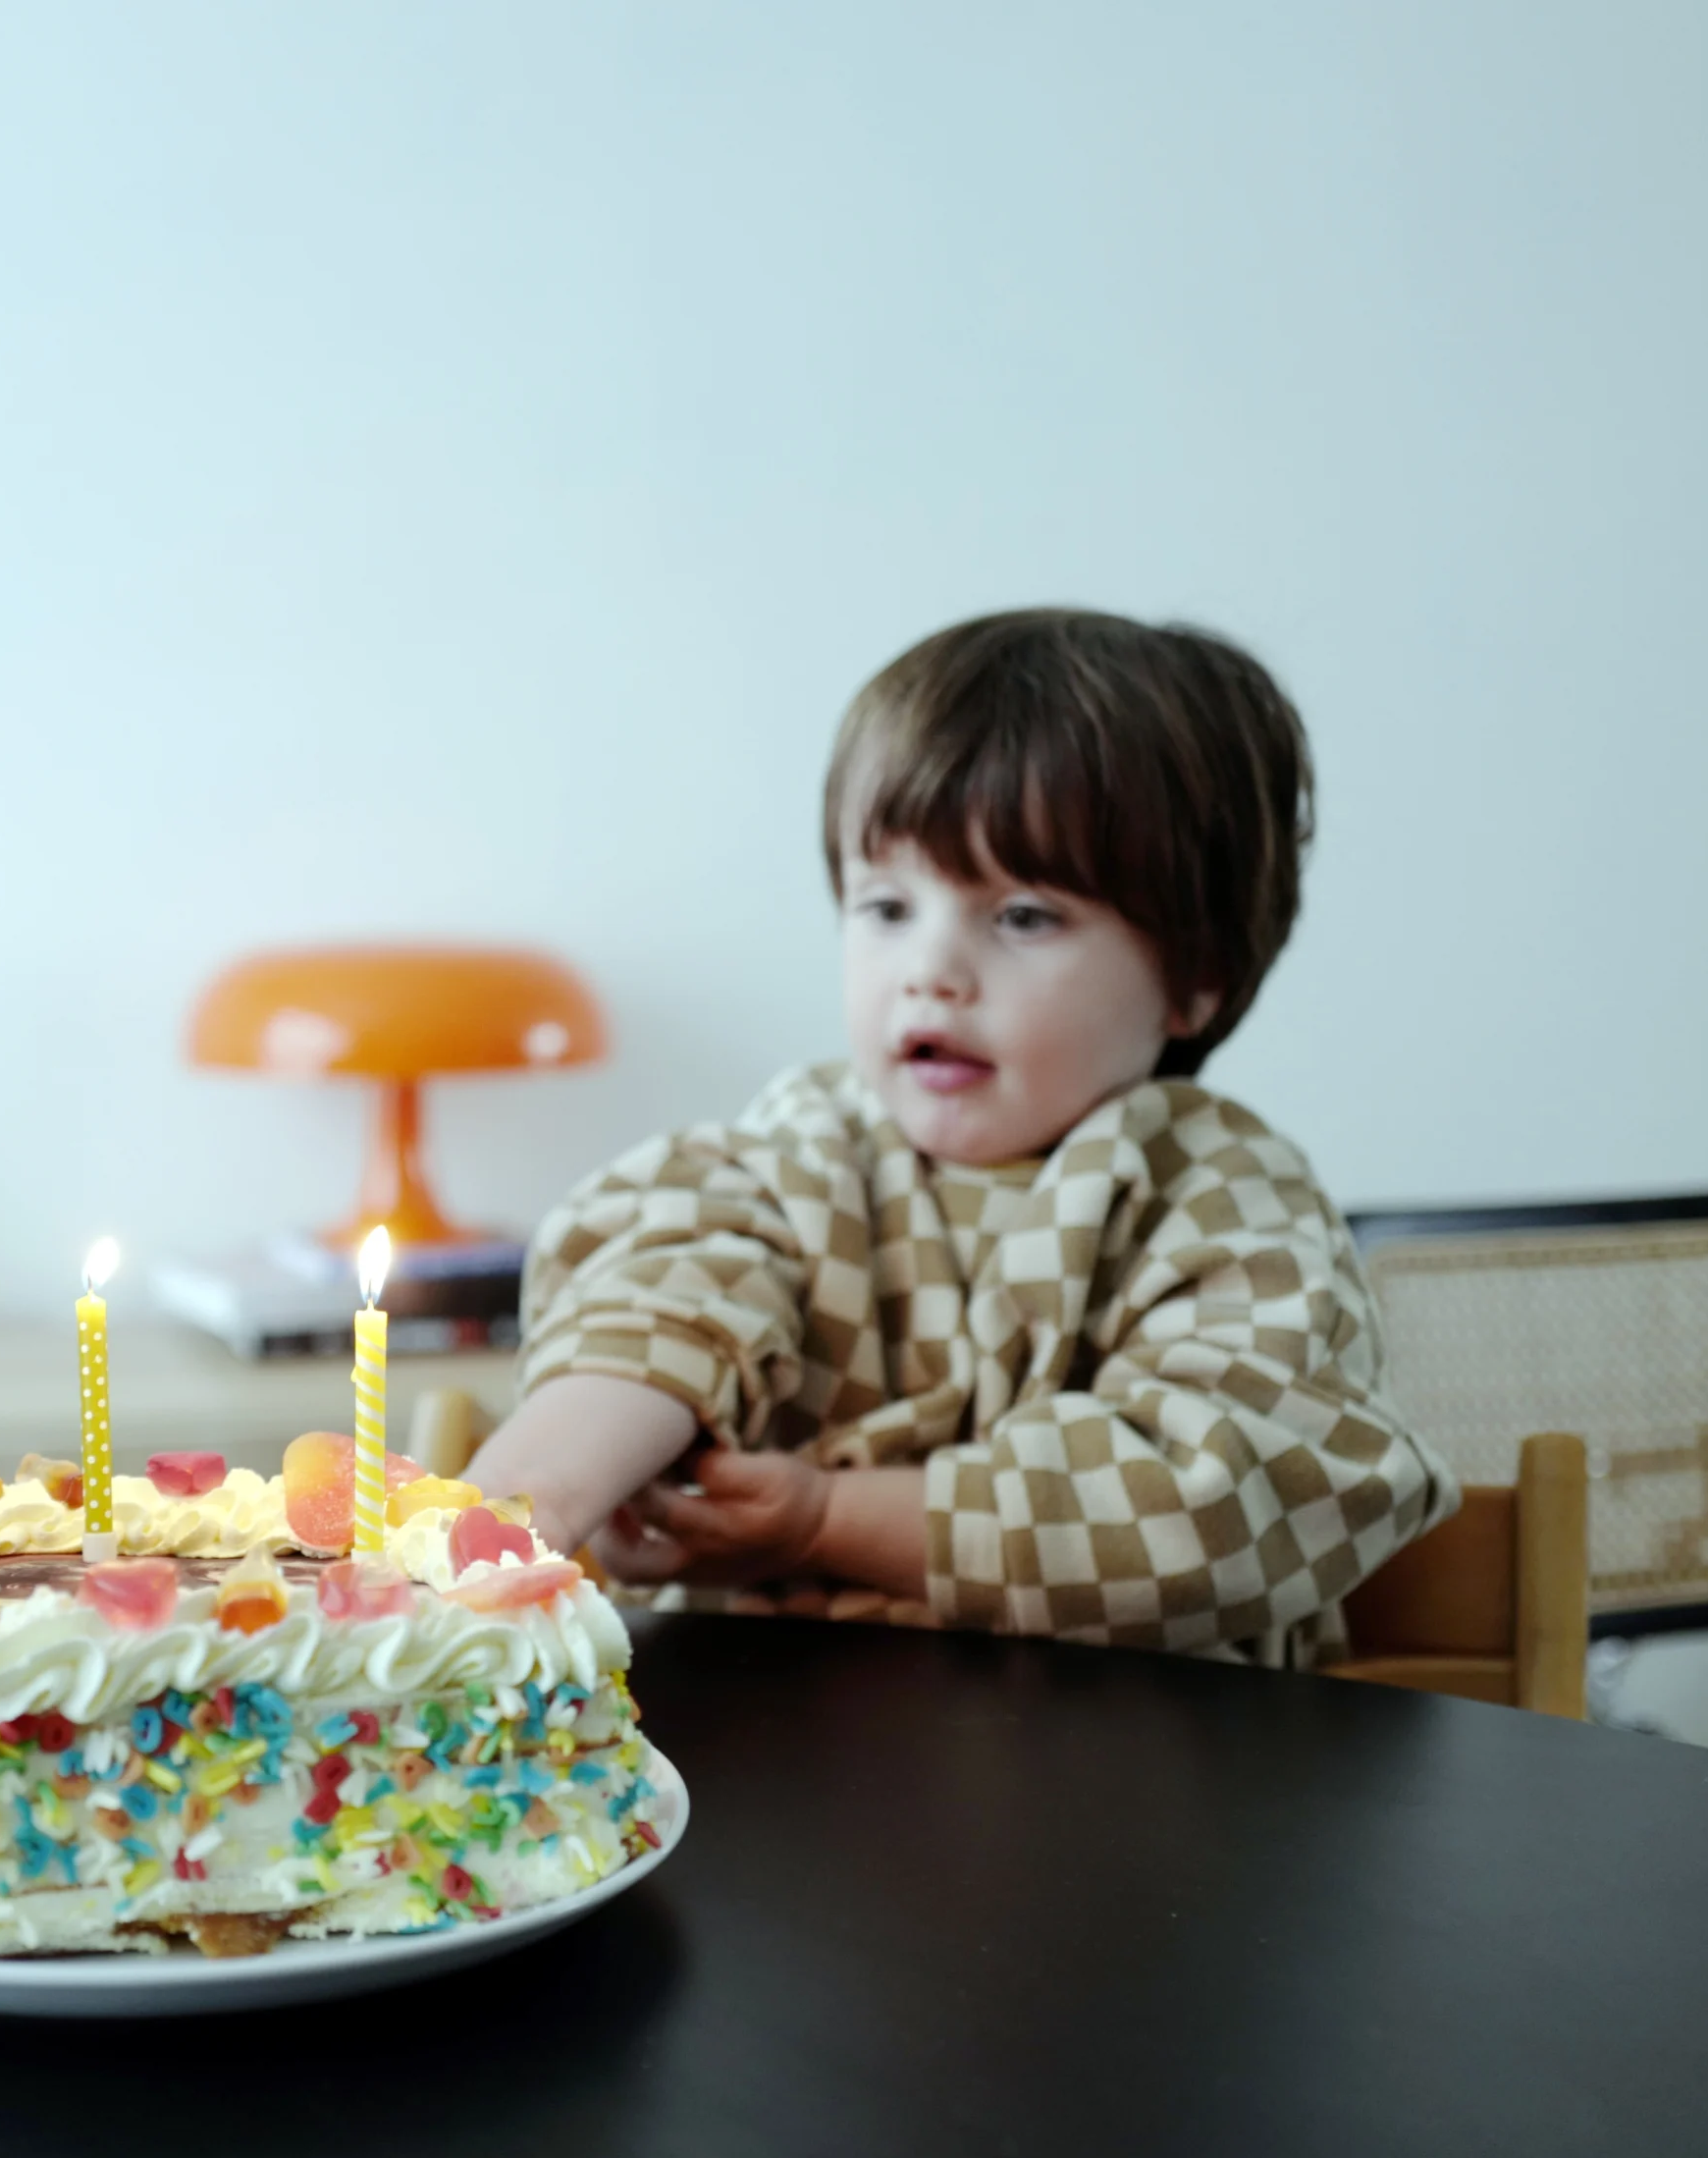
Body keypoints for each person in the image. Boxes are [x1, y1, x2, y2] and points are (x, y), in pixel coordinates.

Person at [467, 610, 1451, 1661]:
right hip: (788, 1771)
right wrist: (527, 1504)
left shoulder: (1220, 1193)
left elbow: (1224, 1497)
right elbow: (661, 1300)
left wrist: (824, 1520)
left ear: (1194, 976)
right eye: (886, 906)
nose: (930, 968)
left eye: (1022, 916)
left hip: (1140, 1780)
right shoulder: (802, 1154)